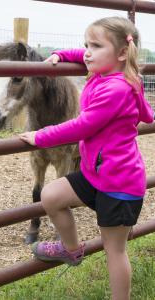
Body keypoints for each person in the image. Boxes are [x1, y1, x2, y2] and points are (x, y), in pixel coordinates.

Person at [19, 17, 155, 300]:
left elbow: (83, 126)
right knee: (52, 195)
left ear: (120, 53)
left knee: (114, 250)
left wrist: (41, 135)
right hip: (97, 174)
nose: (87, 52)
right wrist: (60, 55)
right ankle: (71, 248)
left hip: (120, 184)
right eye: (85, 44)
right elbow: (145, 114)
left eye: (95, 45)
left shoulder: (116, 88)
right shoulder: (113, 73)